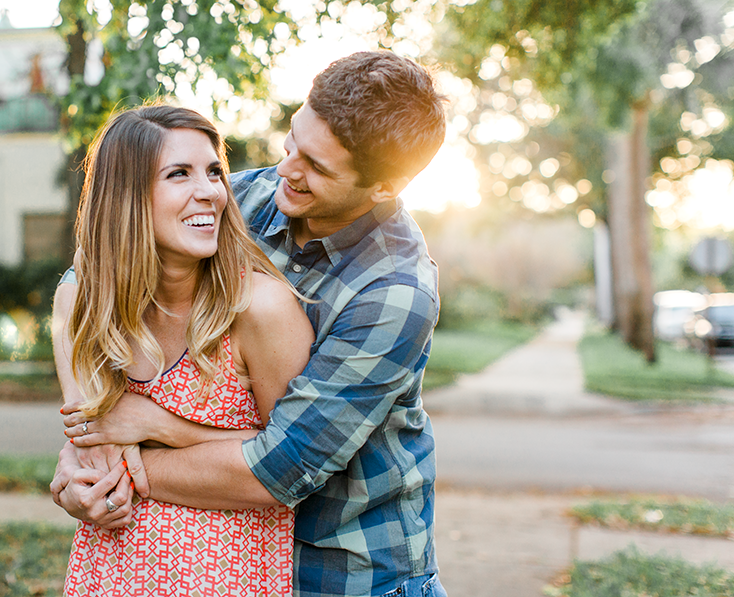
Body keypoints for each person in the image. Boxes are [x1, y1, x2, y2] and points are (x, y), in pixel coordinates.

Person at [53, 50, 449, 597]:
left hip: (350, 571)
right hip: (222, 557)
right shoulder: (247, 197)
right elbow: (86, 278)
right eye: (293, 142)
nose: (286, 169)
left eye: (317, 167)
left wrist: (130, 453)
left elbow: (280, 467)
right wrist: (84, 444)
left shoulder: (394, 292)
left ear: (384, 188)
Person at [53, 104, 314, 597]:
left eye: (215, 171)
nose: (211, 192)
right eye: (180, 174)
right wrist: (74, 482)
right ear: (126, 198)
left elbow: (290, 467)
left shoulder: (259, 309)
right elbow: (90, 445)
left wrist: (157, 426)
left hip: (227, 579)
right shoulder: (87, 304)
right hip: (106, 576)